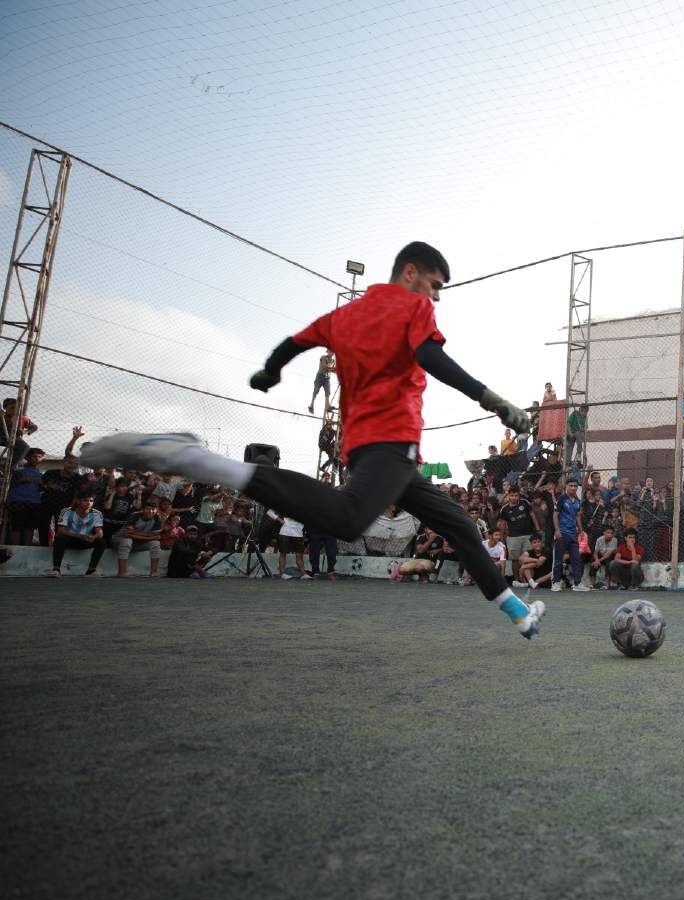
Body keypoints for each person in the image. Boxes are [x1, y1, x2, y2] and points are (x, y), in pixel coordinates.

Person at [80, 242, 544, 636]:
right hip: (390, 441)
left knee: (459, 524)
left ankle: (518, 614)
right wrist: (493, 400)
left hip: (372, 451)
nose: (436, 297)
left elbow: (293, 343)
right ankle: (201, 461)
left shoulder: (344, 316)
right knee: (347, 518)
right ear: (411, 273)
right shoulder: (412, 306)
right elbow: (430, 357)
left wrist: (270, 370)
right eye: (436, 285)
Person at [47, 492, 105, 576]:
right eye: (85, 500)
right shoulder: (67, 511)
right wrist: (81, 536)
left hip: (86, 540)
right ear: (78, 501)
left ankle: (91, 570)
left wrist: (93, 537)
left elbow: (99, 532)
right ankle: (56, 569)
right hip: (71, 539)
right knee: (59, 538)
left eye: (91, 500)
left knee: (102, 542)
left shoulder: (97, 513)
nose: (89, 503)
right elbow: (61, 531)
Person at [551, 478, 587, 591]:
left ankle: (577, 584)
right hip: (562, 533)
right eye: (570, 485)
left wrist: (581, 531)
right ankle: (555, 583)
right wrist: (557, 530)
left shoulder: (577, 500)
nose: (573, 488)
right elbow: (555, 515)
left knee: (576, 559)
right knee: (558, 559)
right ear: (566, 486)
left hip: (573, 534)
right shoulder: (561, 499)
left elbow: (577, 516)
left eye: (575, 486)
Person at [115, 499, 164, 577]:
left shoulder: (157, 518)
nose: (150, 511)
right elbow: (127, 534)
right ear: (143, 509)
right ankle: (122, 573)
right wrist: (149, 536)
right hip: (119, 540)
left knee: (155, 543)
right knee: (127, 541)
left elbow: (157, 536)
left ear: (156, 510)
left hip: (138, 542)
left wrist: (136, 534)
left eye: (153, 509)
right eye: (148, 509)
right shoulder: (135, 516)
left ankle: (153, 573)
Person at [276, 515, 310, 580]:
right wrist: (281, 520)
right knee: (283, 553)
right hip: (285, 532)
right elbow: (270, 512)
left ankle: (303, 574)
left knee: (299, 555)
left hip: (298, 533)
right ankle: (282, 574)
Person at [308, 350, 336, 414]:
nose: (332, 353)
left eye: (333, 352)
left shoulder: (333, 361)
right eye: (330, 351)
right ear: (328, 352)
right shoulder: (323, 357)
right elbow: (325, 366)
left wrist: (338, 372)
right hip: (320, 377)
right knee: (316, 391)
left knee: (328, 392)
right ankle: (311, 405)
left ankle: (327, 406)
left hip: (327, 378)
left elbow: (332, 370)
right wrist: (333, 369)